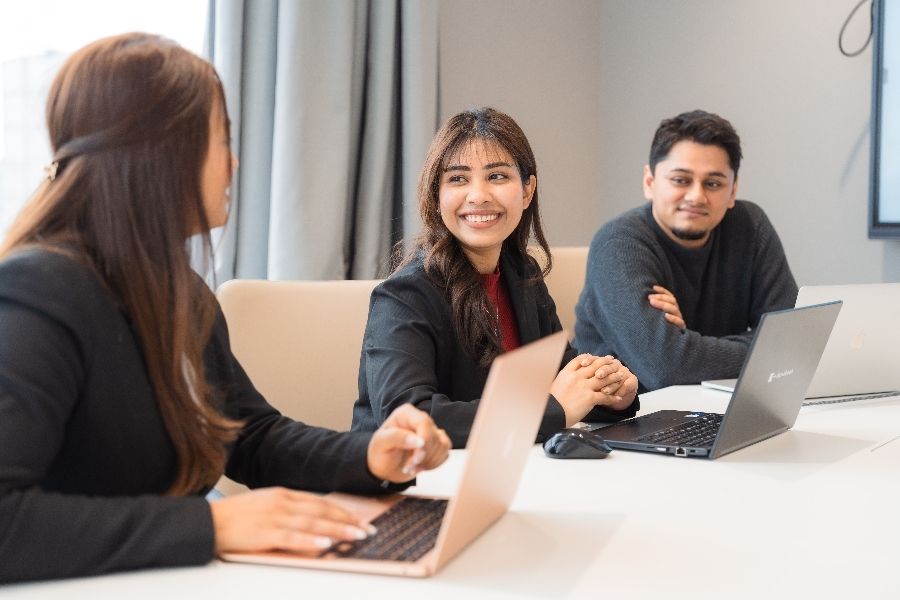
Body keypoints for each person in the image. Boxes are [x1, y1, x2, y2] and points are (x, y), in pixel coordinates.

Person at [0, 33, 451, 584]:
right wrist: (210, 524)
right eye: (221, 139)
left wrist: (370, 457)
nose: (234, 163)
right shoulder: (36, 292)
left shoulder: (180, 292)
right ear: (162, 153)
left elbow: (252, 437)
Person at [351, 107, 639, 447]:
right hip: (415, 484)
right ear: (436, 194)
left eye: (497, 176)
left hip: (506, 472)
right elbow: (410, 416)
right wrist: (553, 409)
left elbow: (561, 379)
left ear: (527, 190)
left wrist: (609, 393)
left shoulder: (522, 275)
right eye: (458, 179)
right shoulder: (403, 296)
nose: (478, 196)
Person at [574, 110, 798, 392]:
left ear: (733, 191)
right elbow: (666, 367)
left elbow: (794, 342)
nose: (696, 196)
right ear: (650, 182)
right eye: (680, 180)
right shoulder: (619, 244)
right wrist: (765, 350)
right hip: (622, 420)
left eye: (713, 183)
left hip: (713, 406)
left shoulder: (750, 226)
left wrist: (684, 340)